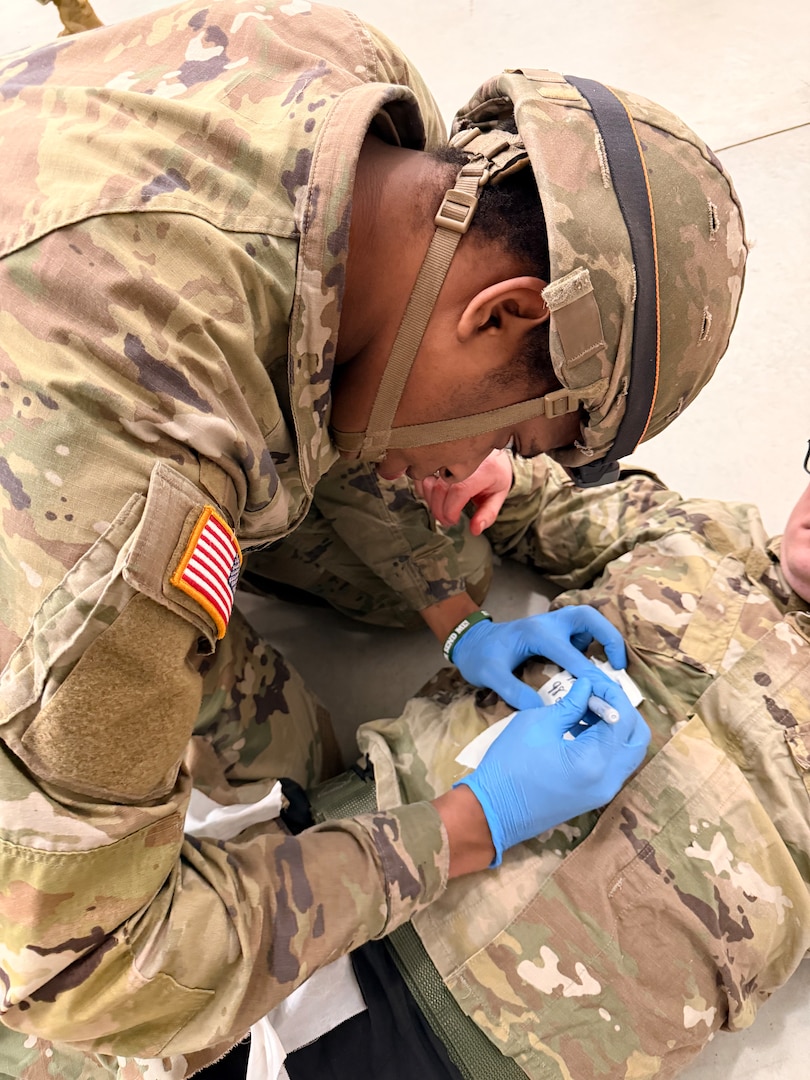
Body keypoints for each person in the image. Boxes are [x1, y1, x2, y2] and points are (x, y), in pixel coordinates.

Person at [0, 0, 746, 1074]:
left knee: (298, 749)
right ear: (505, 311)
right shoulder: (132, 495)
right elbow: (89, 972)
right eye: (510, 430)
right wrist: (465, 827)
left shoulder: (360, 100)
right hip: (51, 473)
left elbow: (325, 380)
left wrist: (457, 623)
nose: (476, 465)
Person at [271, 450, 810, 1080]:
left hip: (519, 1037)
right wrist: (495, 472)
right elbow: (543, 504)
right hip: (367, 839)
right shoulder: (701, 529)